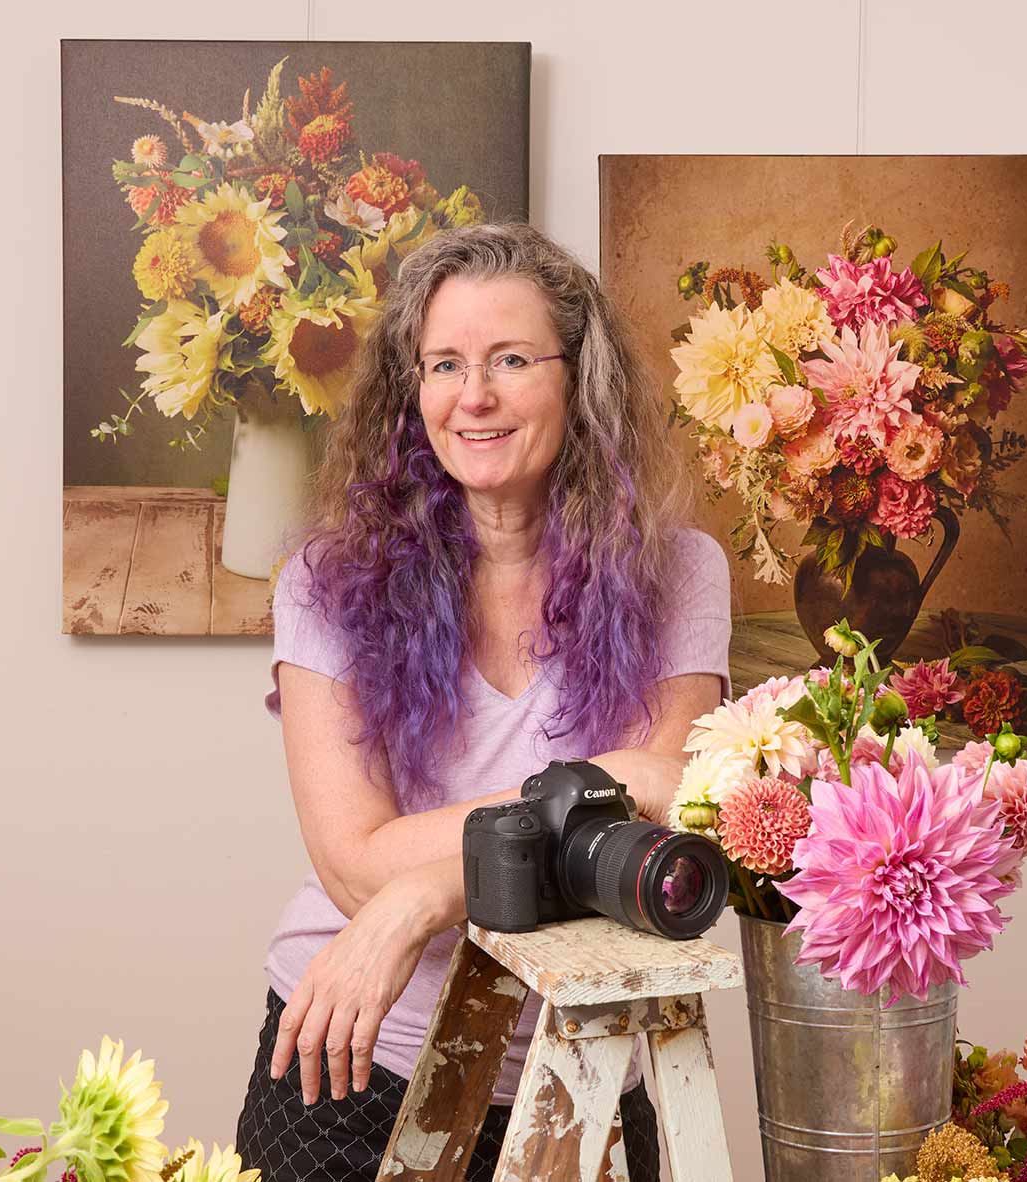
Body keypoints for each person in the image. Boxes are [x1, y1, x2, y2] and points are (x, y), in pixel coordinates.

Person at [234, 221, 732, 1181]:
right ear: (409, 389)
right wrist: (599, 791)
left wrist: (426, 890)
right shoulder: (321, 582)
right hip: (355, 1050)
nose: (474, 397)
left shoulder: (679, 571)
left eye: (511, 358)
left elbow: (668, 802)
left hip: (586, 1060)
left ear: (579, 377)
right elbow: (354, 865)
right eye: (445, 364)